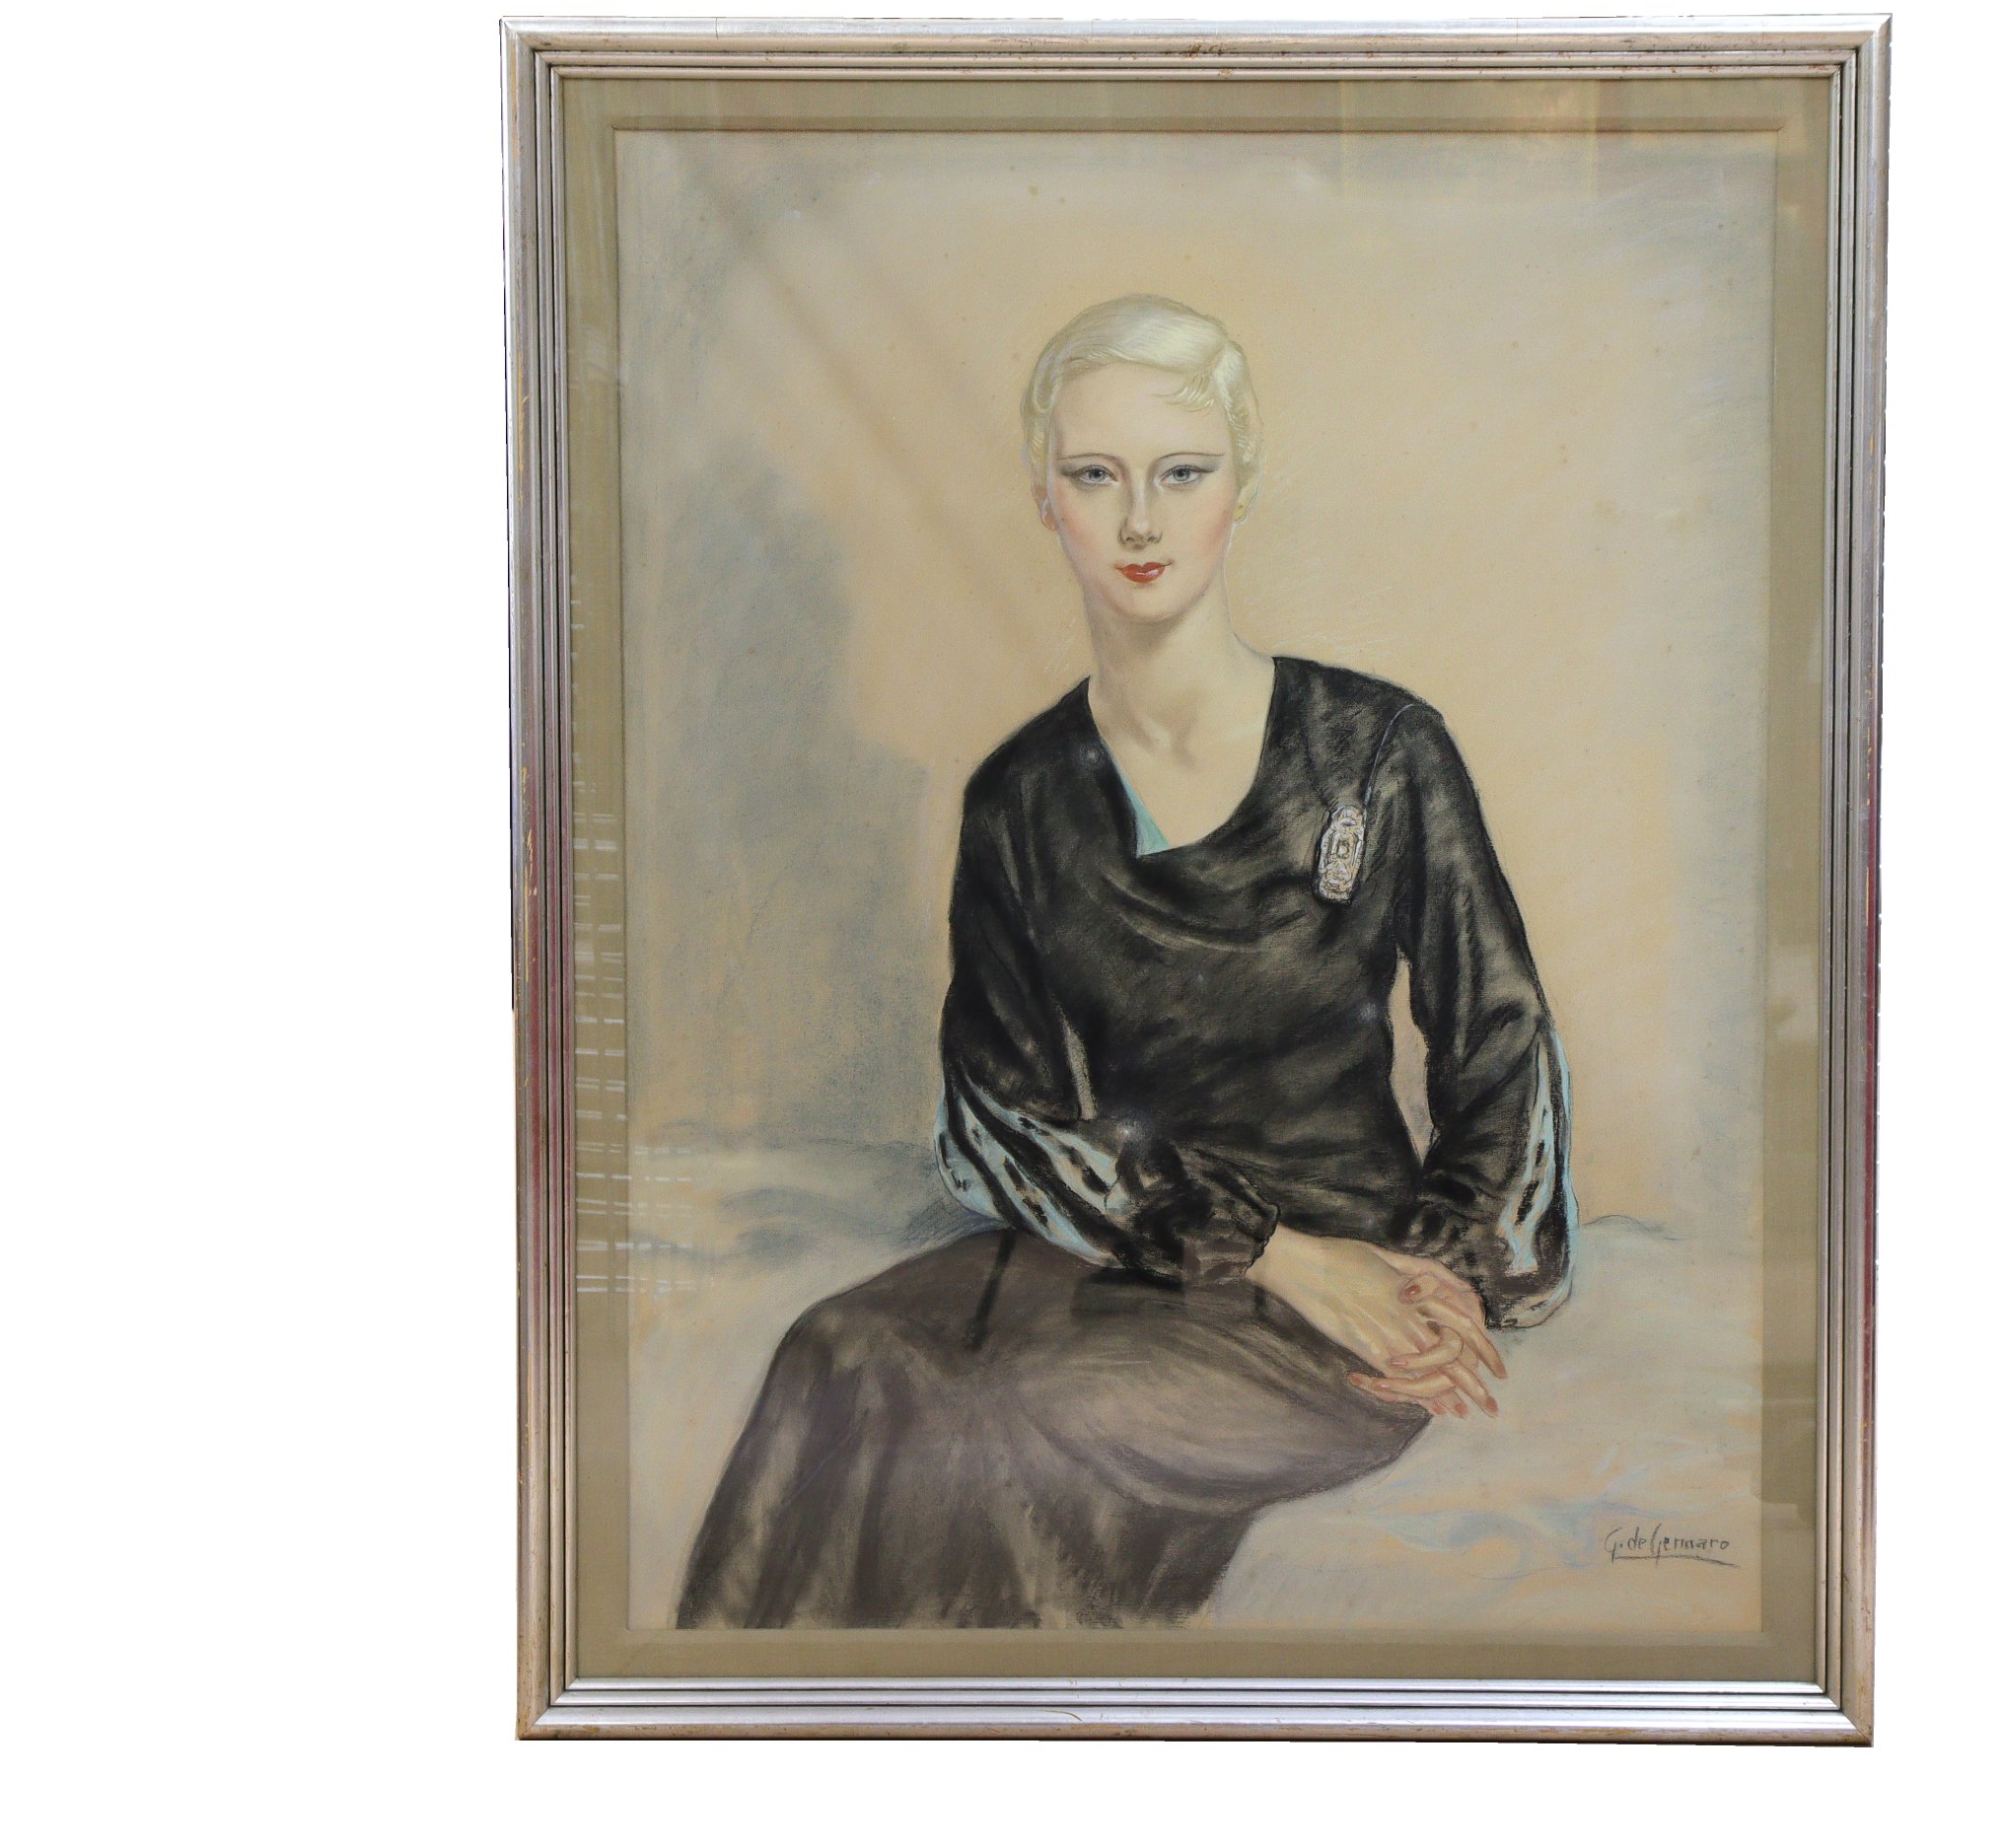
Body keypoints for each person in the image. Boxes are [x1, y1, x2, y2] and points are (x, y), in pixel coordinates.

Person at [674, 295, 1575, 1630]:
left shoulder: (1380, 751)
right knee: (836, 1353)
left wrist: (1442, 1277)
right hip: (1137, 1249)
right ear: (1045, 496)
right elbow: (1004, 1124)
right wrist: (1269, 1252)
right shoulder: (1020, 799)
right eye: (1097, 477)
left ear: (1243, 485)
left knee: (1001, 1418)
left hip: (1348, 1283)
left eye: (1182, 474)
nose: (1140, 522)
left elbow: (1502, 1045)